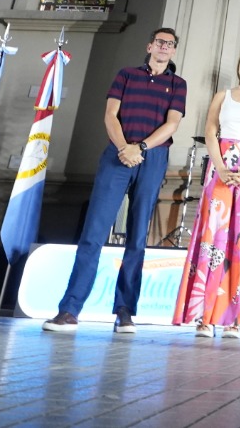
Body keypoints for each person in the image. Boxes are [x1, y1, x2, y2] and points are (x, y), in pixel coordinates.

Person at [43, 28, 187, 335]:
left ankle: (124, 311)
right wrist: (125, 148)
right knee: (93, 232)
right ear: (150, 45)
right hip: (117, 155)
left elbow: (172, 123)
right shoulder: (126, 75)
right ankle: (69, 310)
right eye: (160, 42)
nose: (164, 47)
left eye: (170, 44)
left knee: (137, 237)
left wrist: (141, 148)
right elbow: (111, 115)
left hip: (152, 157)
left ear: (174, 51)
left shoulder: (178, 84)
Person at [173, 48, 240, 337]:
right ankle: (206, 317)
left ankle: (236, 319)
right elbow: (210, 131)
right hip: (220, 165)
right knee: (214, 238)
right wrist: (220, 166)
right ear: (239, 65)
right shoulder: (223, 96)